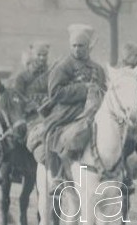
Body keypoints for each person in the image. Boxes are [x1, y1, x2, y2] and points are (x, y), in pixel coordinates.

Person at [41, 24, 107, 184]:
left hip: (95, 109)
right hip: (68, 111)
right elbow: (55, 92)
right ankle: (57, 174)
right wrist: (83, 89)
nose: (78, 49)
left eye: (81, 46)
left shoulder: (98, 69)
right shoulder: (63, 66)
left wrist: (98, 92)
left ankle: (120, 173)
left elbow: (104, 89)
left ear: (88, 47)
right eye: (74, 46)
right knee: (53, 134)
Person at [12, 41, 51, 122]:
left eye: (44, 55)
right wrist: (30, 105)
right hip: (29, 114)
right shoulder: (22, 77)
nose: (42, 58)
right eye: (39, 55)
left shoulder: (53, 73)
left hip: (50, 110)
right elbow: (17, 96)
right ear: (33, 56)